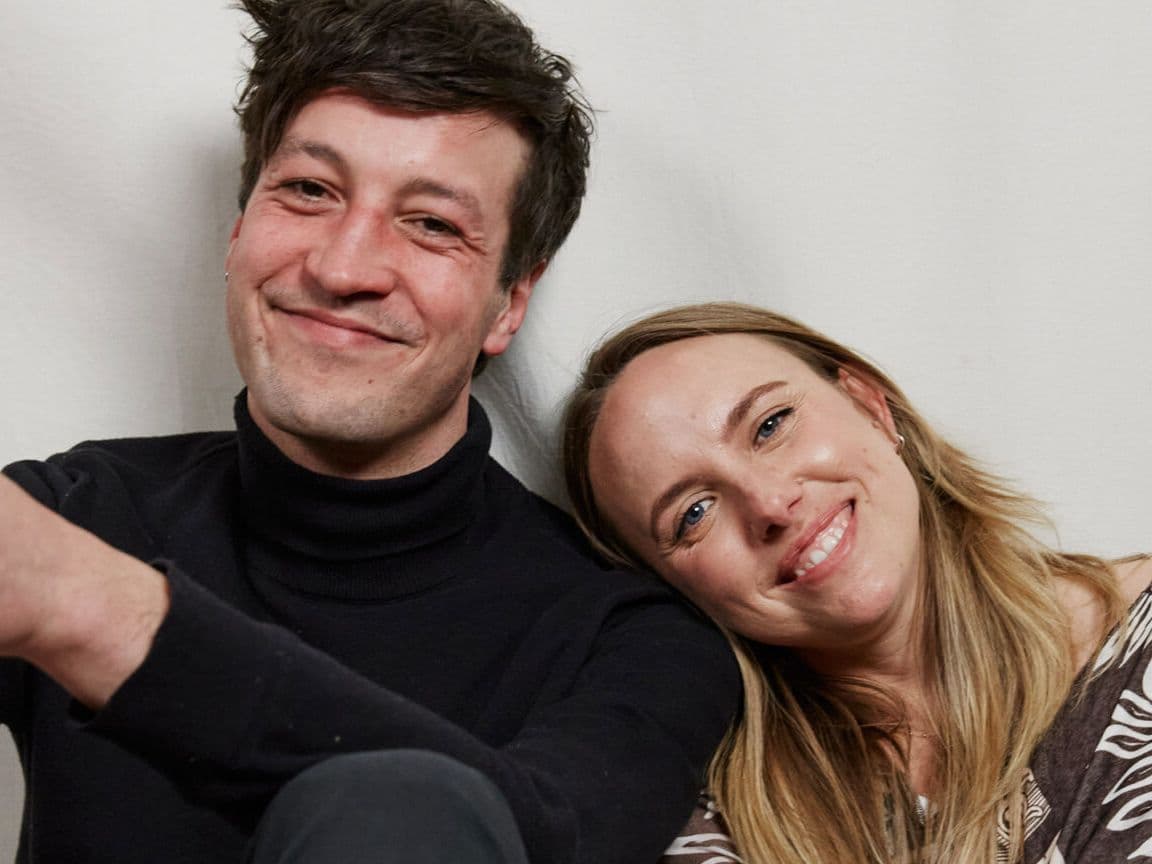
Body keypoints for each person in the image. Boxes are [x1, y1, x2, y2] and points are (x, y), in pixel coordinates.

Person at [0, 2, 740, 862]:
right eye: (309, 191)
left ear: (509, 304)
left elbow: (545, 836)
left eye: (432, 224)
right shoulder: (73, 510)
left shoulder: (633, 636)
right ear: (238, 233)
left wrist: (89, 610)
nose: (343, 267)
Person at [563, 301, 1152, 863]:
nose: (770, 503)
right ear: (673, 592)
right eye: (694, 513)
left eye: (770, 425)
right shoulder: (704, 827)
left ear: (870, 405)